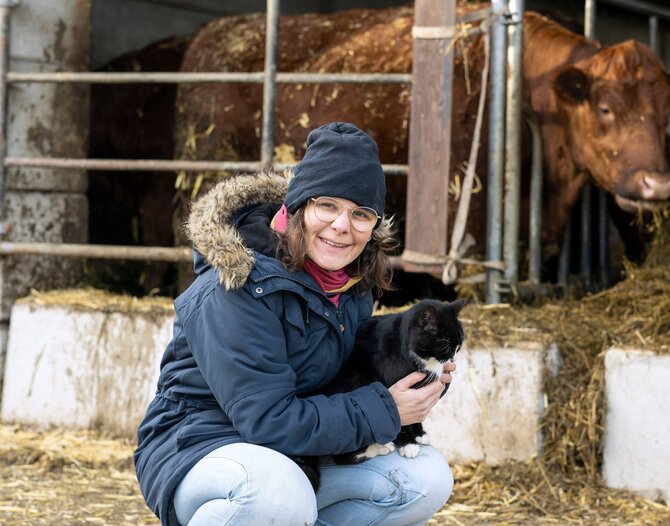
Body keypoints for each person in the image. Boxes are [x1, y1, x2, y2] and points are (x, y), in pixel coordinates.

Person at [134, 122, 455, 526]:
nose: (343, 225)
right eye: (328, 205)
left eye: (360, 213)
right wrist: (386, 410)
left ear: (374, 226)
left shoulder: (349, 285)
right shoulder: (236, 284)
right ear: (297, 206)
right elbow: (266, 421)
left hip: (298, 452)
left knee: (424, 478)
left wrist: (421, 370)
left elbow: (355, 375)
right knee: (279, 494)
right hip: (202, 445)